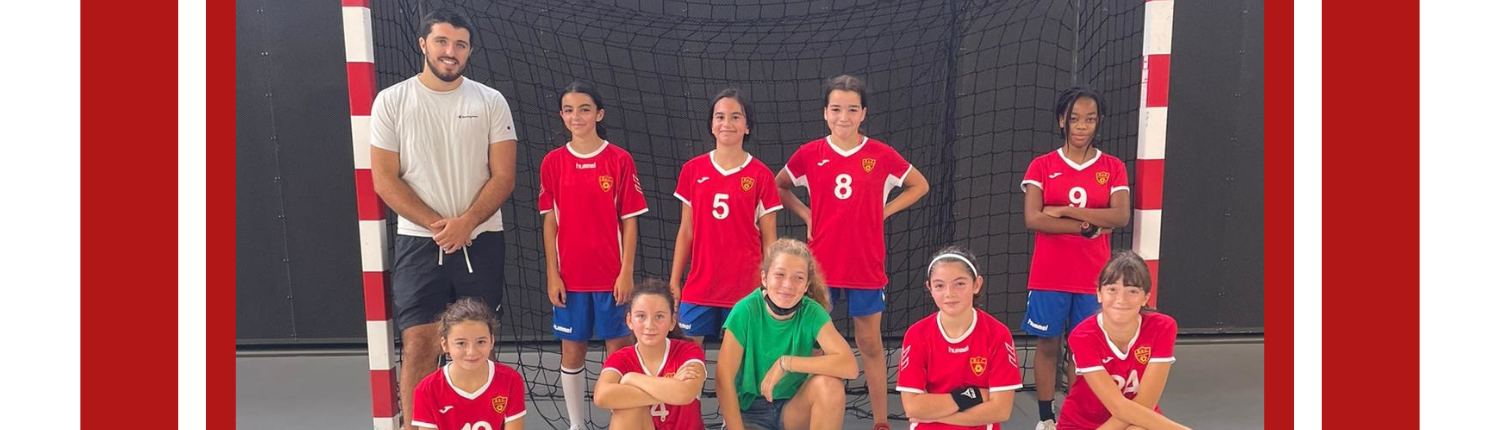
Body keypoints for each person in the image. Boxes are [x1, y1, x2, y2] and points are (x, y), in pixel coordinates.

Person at [368, 7, 518, 429]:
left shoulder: (490, 101)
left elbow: (504, 176)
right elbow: (385, 179)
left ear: (469, 51)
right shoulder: (391, 101)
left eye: (460, 44)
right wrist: (441, 225)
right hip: (420, 243)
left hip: (480, 240)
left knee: (477, 345)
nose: (450, 51)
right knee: (419, 344)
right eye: (442, 41)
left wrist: (466, 222)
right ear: (423, 44)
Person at [774, 74, 930, 429]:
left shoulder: (880, 154)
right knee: (813, 344)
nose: (843, 117)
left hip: (864, 264)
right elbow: (779, 185)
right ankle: (808, 412)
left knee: (870, 343)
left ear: (863, 113)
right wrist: (806, 214)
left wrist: (884, 211)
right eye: (835, 109)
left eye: (851, 109)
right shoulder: (810, 154)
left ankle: (880, 420)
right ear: (824, 113)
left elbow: (919, 184)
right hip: (821, 267)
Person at [539, 81, 648, 430]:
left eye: (584, 109)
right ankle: (576, 424)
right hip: (570, 280)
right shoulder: (553, 162)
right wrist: (552, 274)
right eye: (569, 110)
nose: (577, 116)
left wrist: (626, 272)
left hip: (611, 278)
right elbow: (550, 222)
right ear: (562, 115)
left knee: (619, 351)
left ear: (599, 114)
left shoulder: (619, 159)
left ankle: (621, 422)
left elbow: (629, 222)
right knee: (573, 351)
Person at [1020, 85, 1131, 430]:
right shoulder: (1042, 165)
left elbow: (1120, 216)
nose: (1082, 126)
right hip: (1049, 275)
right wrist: (1086, 227)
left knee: (1084, 349)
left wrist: (1066, 211)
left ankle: (1075, 415)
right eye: (1075, 119)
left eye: (1090, 119)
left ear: (1099, 122)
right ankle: (1046, 418)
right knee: (1048, 344)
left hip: (1093, 277)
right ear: (1061, 121)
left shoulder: (1112, 167)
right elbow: (1034, 218)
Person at [669, 88, 782, 343]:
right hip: (701, 285)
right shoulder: (693, 170)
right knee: (686, 356)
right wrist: (675, 281)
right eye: (720, 117)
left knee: (739, 360)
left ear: (747, 127)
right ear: (711, 125)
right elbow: (686, 231)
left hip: (744, 288)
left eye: (735, 117)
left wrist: (771, 282)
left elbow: (770, 240)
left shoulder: (761, 175)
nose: (727, 123)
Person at [716, 239, 859, 430]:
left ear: (807, 285)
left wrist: (786, 363)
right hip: (749, 413)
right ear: (765, 278)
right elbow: (723, 379)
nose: (788, 284)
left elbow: (850, 367)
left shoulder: (812, 313)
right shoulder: (745, 311)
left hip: (793, 409)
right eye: (780, 275)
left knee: (830, 386)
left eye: (798, 278)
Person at [1057, 252, 1189, 430]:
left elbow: (1146, 403)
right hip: (1081, 424)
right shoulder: (1083, 336)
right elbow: (1118, 406)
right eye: (1112, 289)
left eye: (1132, 291)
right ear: (1099, 294)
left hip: (1139, 417)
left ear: (1145, 298)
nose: (1121, 300)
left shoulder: (1162, 327)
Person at [897, 247, 1021, 429]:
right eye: (939, 285)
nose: (949, 293)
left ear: (976, 284)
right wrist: (973, 395)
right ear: (929, 288)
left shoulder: (997, 334)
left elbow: (1000, 410)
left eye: (959, 284)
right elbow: (913, 407)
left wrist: (936, 416)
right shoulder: (917, 334)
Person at [594, 279, 709, 429]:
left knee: (626, 399)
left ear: (672, 321)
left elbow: (685, 394)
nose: (650, 325)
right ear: (629, 321)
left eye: (659, 316)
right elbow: (601, 396)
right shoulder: (621, 358)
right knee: (628, 408)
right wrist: (671, 386)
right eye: (641, 316)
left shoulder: (688, 351)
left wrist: (631, 378)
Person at [411, 298, 526, 430]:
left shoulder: (510, 380)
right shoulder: (427, 389)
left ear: (492, 341)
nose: (471, 352)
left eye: (481, 342)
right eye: (461, 343)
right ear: (445, 344)